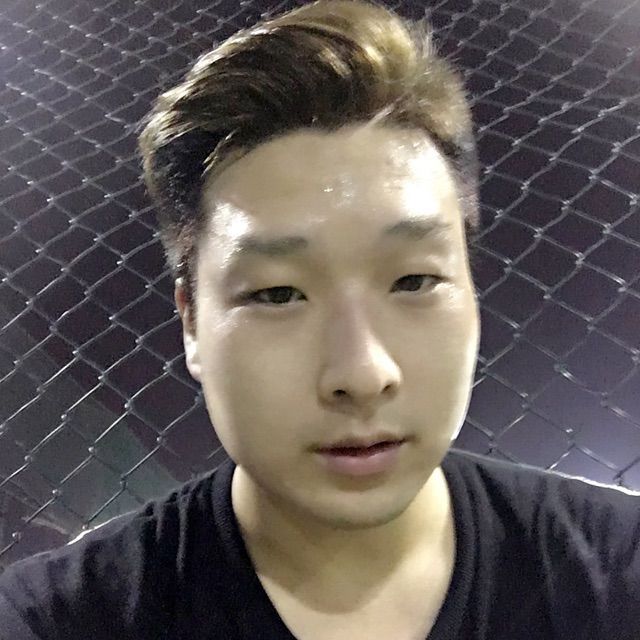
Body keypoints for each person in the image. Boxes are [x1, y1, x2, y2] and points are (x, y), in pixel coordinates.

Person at [1, 0, 639, 638]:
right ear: (192, 323)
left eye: (414, 281)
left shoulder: (616, 573)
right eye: (278, 294)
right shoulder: (56, 619)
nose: (362, 374)